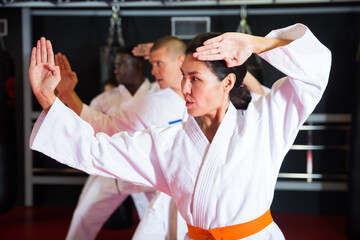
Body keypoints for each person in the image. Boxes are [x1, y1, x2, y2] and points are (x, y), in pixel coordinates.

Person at [29, 23, 331, 239]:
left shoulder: (264, 122)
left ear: (226, 84)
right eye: (183, 76)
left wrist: (255, 43)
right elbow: (98, 150)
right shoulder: (168, 142)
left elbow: (314, 72)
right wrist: (48, 97)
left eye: (195, 79)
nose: (184, 88)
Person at [55, 47, 161, 240]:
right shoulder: (104, 99)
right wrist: (64, 96)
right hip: (111, 173)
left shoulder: (158, 93)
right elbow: (83, 126)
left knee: (158, 226)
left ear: (138, 65)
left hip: (146, 173)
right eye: (115, 65)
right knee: (82, 218)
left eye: (122, 64)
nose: (116, 70)